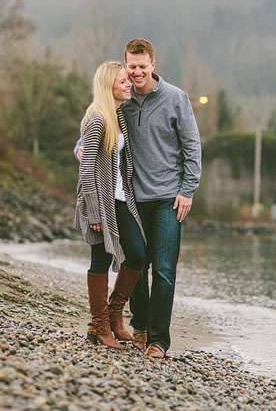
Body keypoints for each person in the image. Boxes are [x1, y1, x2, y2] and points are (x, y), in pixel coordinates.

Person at [76, 39, 202, 359]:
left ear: (153, 65)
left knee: (162, 269)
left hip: (167, 199)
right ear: (125, 64)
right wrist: (80, 145)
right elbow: (95, 125)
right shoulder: (124, 99)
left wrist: (187, 190)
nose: (136, 73)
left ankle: (158, 341)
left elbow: (192, 148)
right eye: (131, 67)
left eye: (142, 67)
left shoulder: (176, 99)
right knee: (137, 262)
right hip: (130, 199)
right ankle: (138, 326)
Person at [74, 61, 146, 350]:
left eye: (128, 80)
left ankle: (115, 312)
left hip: (120, 199)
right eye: (123, 81)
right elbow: (87, 168)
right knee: (101, 261)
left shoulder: (118, 117)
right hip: (99, 202)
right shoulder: (97, 120)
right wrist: (93, 210)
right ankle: (100, 326)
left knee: (138, 254)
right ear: (108, 86)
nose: (129, 84)